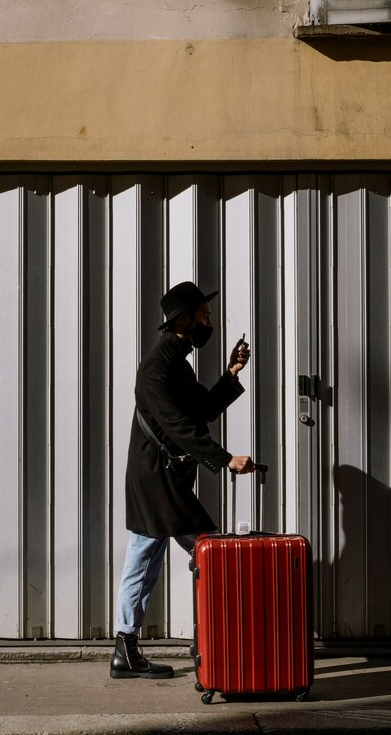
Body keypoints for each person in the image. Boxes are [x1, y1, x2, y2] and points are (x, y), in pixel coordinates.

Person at [110, 280, 255, 679]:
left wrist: (231, 373)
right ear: (184, 319)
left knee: (146, 555)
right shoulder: (157, 367)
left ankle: (128, 649)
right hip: (156, 477)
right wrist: (225, 460)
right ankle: (226, 640)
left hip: (162, 475)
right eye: (204, 317)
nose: (209, 323)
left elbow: (202, 411)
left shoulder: (177, 361)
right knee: (211, 550)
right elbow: (177, 427)